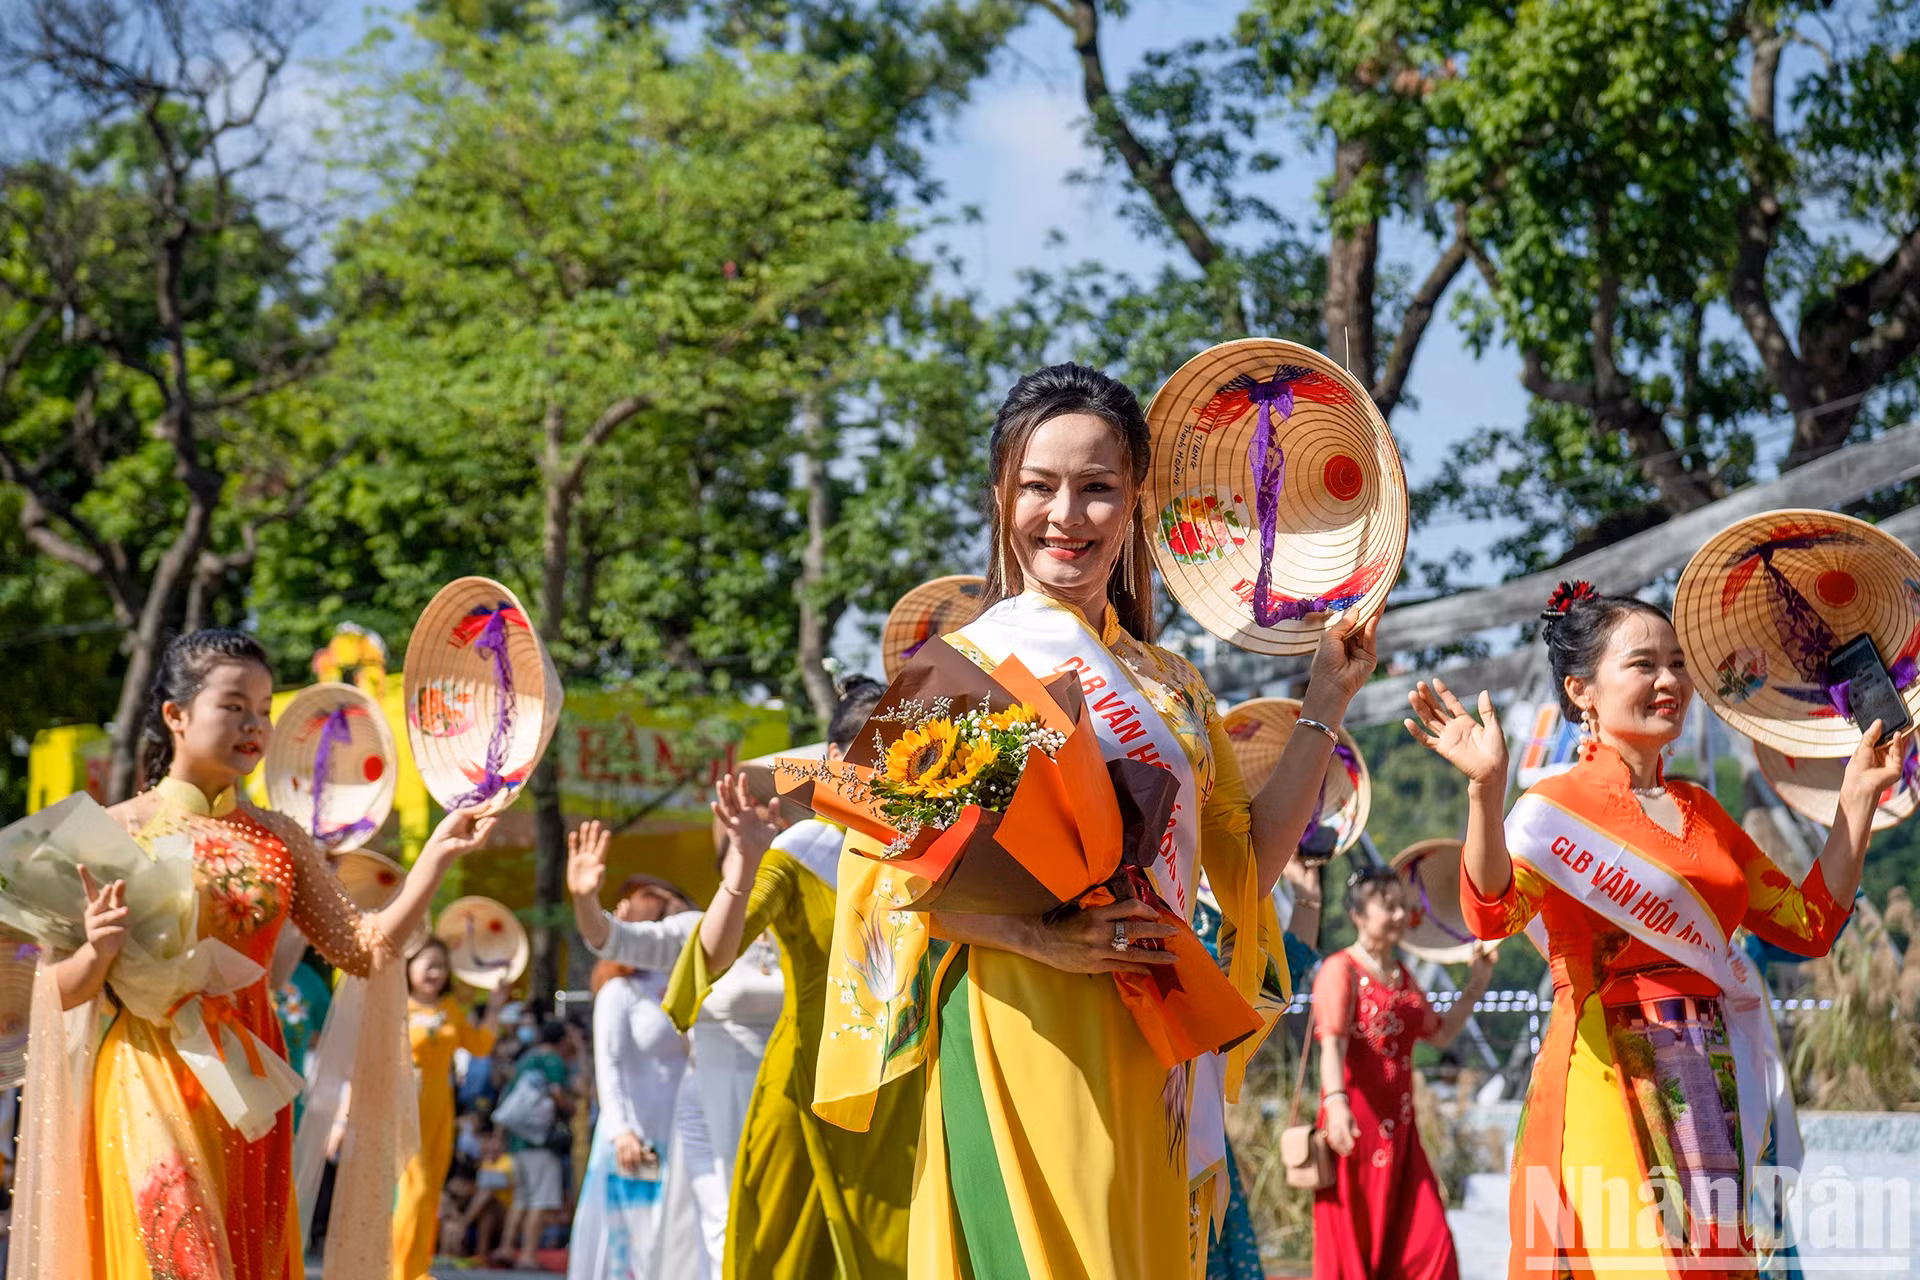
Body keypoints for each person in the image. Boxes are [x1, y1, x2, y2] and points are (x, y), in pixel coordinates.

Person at [815, 362, 1378, 1279]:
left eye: (1097, 488)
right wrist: (1037, 938)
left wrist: (1327, 698)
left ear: (1135, 504)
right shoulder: (957, 669)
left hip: (1153, 1041)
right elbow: (880, 889)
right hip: (1016, 1024)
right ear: (1003, 496)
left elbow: (1245, 867)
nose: (1065, 516)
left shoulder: (1174, 687)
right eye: (1039, 486)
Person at [1405, 582, 1903, 1275]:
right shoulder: (1552, 810)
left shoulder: (1705, 811)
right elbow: (1492, 911)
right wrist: (1485, 794)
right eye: (1643, 664)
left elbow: (1809, 925)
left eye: (1676, 664)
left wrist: (1856, 799)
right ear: (1581, 690)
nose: (1669, 681)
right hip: (1603, 1069)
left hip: (1709, 1076)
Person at [19, 628, 493, 1280]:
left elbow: (364, 950)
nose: (254, 725)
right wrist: (98, 953)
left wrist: (434, 859)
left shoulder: (280, 838)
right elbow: (51, 991)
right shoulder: (111, 831)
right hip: (147, 1073)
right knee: (180, 1261)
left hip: (249, 1082)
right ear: (176, 715)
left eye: (265, 709)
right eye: (234, 705)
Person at [676, 675, 922, 1279]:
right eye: (871, 753)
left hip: (900, 1091)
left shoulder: (930, 852)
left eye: (901, 753)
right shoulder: (799, 850)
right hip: (808, 1082)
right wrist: (743, 865)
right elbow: (717, 951)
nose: (885, 771)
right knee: (785, 1255)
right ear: (833, 759)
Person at [568, 833, 786, 1274]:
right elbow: (609, 940)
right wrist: (585, 900)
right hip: (692, 1107)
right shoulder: (685, 940)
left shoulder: (791, 931)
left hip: (773, 1095)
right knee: (712, 1222)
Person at [1311, 867, 1495, 1280]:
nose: (1398, 915)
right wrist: (1336, 1104)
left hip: (1402, 1136)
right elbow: (1332, 1044)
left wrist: (1477, 983)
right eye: (1387, 906)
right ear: (1358, 914)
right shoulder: (1340, 970)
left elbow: (1441, 1034)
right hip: (1354, 1132)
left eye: (1402, 906)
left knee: (1432, 1247)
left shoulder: (1402, 976)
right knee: (1358, 1251)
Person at [568, 882, 694, 1279]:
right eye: (672, 922)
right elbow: (608, 1064)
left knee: (674, 1239)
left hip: (682, 1133)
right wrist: (622, 1130)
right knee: (630, 1239)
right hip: (635, 1135)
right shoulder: (620, 992)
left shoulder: (690, 986)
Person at [393, 936, 508, 1279]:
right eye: (429, 965)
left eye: (442, 966)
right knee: (414, 1188)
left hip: (440, 1109)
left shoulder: (450, 1010)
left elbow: (480, 1046)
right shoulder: (396, 1007)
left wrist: (495, 1007)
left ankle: (418, 1268)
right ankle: (397, 1269)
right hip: (405, 1106)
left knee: (431, 1191)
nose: (436, 973)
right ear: (409, 966)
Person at [497, 1019, 578, 1271]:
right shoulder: (553, 1060)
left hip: (518, 1139)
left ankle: (507, 1247)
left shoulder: (526, 1059)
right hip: (541, 1142)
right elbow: (557, 1092)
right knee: (540, 1200)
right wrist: (572, 1109)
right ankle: (528, 1255)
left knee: (521, 1198)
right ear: (562, 1040)